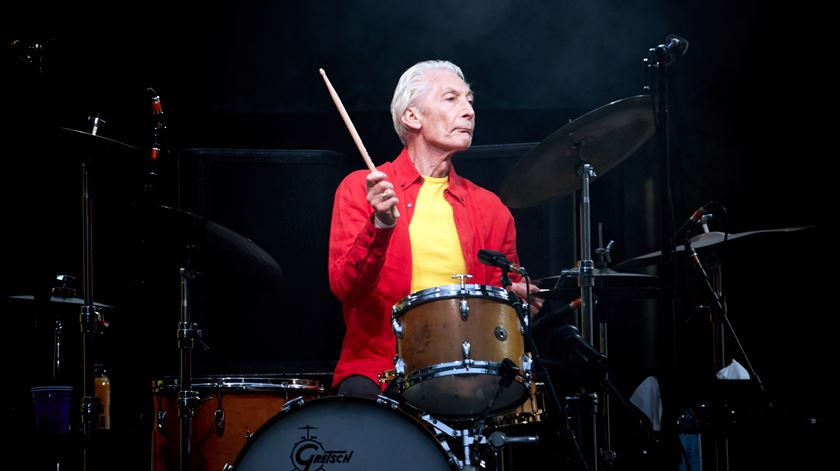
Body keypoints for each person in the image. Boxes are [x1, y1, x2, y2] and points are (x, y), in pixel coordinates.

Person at [328, 60, 542, 398]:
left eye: (469, 100)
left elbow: (500, 308)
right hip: (380, 369)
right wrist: (380, 225)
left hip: (467, 372)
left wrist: (516, 300)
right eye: (451, 98)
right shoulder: (361, 189)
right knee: (358, 408)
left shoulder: (491, 208)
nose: (469, 110)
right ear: (412, 117)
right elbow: (347, 289)